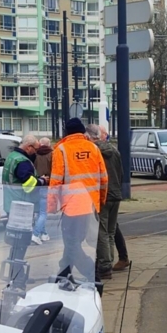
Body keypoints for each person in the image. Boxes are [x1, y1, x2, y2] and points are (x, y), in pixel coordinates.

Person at [49, 118, 108, 282]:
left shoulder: (61, 150)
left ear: (66, 132)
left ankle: (91, 274)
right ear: (82, 131)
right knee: (73, 242)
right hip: (90, 205)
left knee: (71, 242)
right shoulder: (93, 148)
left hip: (71, 206)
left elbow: (55, 182)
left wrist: (52, 207)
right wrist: (100, 202)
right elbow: (104, 179)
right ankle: (63, 274)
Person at [92, 124, 123, 280]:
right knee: (110, 231)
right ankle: (109, 261)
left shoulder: (94, 152)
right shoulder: (115, 150)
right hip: (116, 194)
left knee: (102, 232)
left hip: (104, 195)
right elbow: (121, 172)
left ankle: (105, 265)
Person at [2, 134, 46, 244]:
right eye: (35, 149)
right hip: (22, 204)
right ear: (28, 147)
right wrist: (43, 181)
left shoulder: (12, 156)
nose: (36, 152)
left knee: (14, 237)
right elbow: (28, 185)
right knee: (21, 240)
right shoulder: (23, 162)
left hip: (10, 201)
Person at [33, 137, 53, 242]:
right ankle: (35, 234)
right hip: (47, 185)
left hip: (37, 185)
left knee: (40, 212)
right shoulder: (52, 154)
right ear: (49, 145)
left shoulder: (35, 155)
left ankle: (44, 233)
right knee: (43, 213)